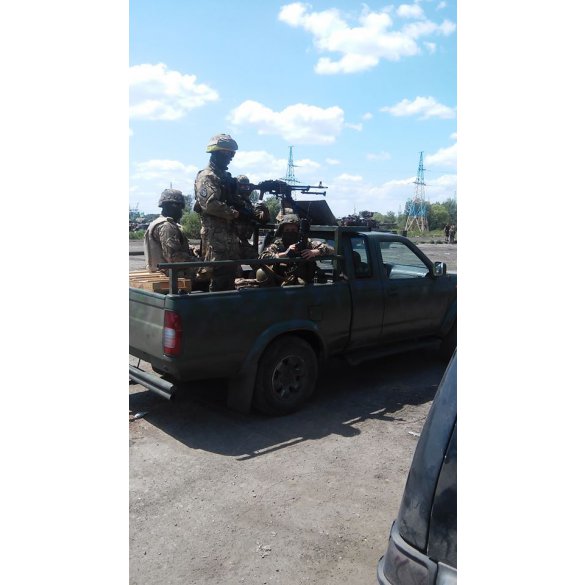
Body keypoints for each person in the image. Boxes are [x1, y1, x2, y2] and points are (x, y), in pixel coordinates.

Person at [194, 133, 241, 291]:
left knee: (230, 275)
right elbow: (210, 204)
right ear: (216, 153)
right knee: (218, 275)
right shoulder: (207, 176)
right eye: (227, 154)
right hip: (215, 238)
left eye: (232, 154)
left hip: (229, 236)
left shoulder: (224, 177)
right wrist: (233, 213)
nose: (230, 158)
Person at [257, 214, 334, 286]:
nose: (290, 232)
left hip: (302, 282)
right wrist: (284, 254)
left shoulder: (306, 242)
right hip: (281, 280)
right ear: (282, 231)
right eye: (287, 230)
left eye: (293, 230)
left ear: (298, 230)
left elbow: (331, 249)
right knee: (261, 273)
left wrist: (314, 252)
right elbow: (263, 257)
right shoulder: (277, 244)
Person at [144, 188, 199, 278]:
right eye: (179, 207)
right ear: (170, 206)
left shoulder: (159, 222)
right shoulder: (167, 226)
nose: (181, 211)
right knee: (211, 270)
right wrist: (198, 261)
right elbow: (174, 258)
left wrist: (191, 249)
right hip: (171, 274)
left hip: (163, 271)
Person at [233, 175, 270, 261]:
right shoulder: (233, 200)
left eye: (247, 186)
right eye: (242, 186)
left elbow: (261, 219)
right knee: (232, 267)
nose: (245, 188)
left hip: (242, 241)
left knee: (258, 262)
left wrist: (265, 210)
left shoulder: (248, 204)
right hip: (232, 240)